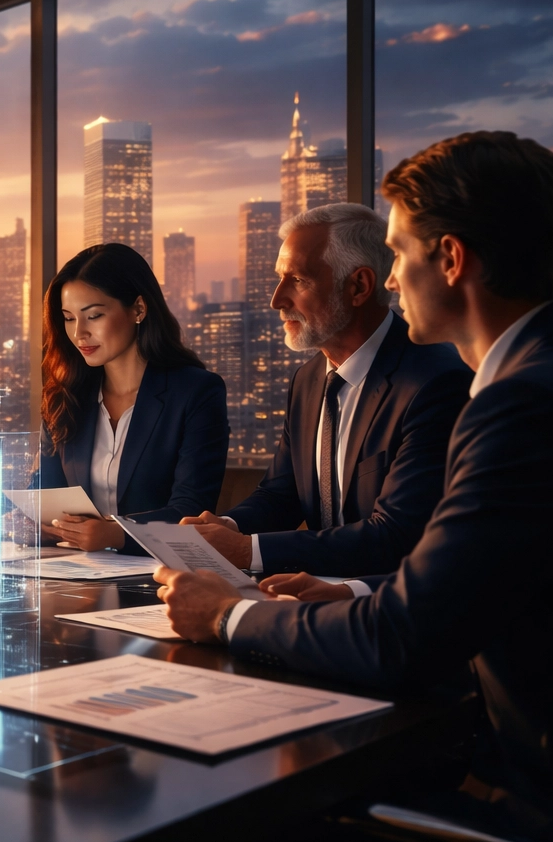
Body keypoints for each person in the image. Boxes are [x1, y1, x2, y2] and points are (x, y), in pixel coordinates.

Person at [158, 130, 553, 836]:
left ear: (451, 259)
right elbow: (491, 581)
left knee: (285, 834)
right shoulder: (535, 377)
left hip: (533, 807)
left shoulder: (518, 406)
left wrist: (228, 614)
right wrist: (354, 588)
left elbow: (403, 639)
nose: (394, 276)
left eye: (401, 255)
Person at [181, 203, 471, 580]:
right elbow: (280, 495)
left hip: (392, 611)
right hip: (319, 596)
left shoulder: (435, 382)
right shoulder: (308, 379)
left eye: (298, 280)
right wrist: (226, 528)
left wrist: (245, 551)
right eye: (279, 278)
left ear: (359, 286)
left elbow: (397, 535)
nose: (276, 299)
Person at [29, 243, 229, 553]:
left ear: (138, 309)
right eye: (68, 318)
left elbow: (190, 512)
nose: (79, 333)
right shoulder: (66, 395)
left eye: (93, 315)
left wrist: (115, 535)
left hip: (160, 576)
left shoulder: (196, 393)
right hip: (74, 573)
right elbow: (46, 493)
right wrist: (25, 520)